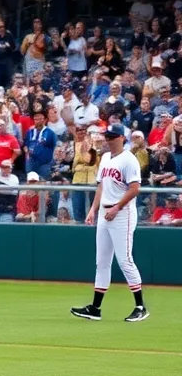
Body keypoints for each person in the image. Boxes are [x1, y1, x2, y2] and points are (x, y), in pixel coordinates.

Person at [70, 123, 149, 322]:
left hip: (122, 213)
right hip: (105, 212)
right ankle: (95, 308)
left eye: (113, 136)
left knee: (125, 260)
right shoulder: (105, 158)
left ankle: (140, 306)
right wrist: (93, 209)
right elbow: (101, 187)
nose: (109, 139)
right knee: (102, 262)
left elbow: (134, 188)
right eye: (107, 136)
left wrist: (117, 208)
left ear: (122, 138)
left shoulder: (129, 159)